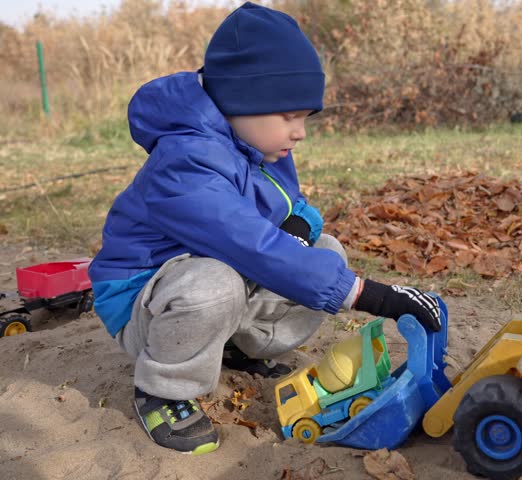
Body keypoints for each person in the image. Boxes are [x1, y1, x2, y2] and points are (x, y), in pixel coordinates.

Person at [87, 2, 441, 456]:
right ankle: (163, 389)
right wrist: (372, 295)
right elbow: (249, 243)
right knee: (214, 287)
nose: (300, 133)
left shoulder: (258, 144)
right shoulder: (185, 162)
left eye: (304, 119)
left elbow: (295, 208)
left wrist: (298, 226)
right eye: (289, 117)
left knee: (325, 250)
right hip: (148, 303)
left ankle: (238, 349)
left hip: (223, 273)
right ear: (241, 101)